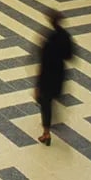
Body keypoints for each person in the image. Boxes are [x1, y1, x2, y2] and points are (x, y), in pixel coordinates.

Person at [34, 9, 74, 146]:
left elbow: (43, 62)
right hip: (60, 73)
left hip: (47, 76)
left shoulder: (48, 39)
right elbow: (70, 56)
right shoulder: (66, 36)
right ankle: (53, 124)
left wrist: (37, 84)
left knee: (45, 103)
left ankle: (46, 132)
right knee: (53, 98)